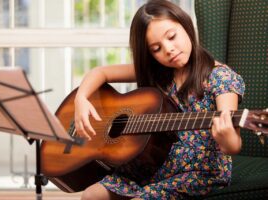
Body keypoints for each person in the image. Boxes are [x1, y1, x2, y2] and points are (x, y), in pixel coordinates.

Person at [74, 0, 245, 199]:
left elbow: (233, 145)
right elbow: (100, 72)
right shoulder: (159, 73)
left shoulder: (221, 78)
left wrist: (228, 139)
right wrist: (81, 98)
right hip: (154, 163)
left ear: (186, 25)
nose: (169, 49)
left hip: (199, 173)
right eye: (156, 48)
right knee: (90, 195)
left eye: (172, 37)